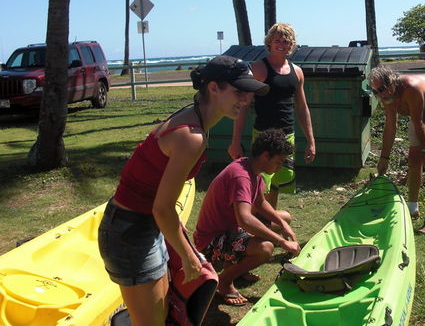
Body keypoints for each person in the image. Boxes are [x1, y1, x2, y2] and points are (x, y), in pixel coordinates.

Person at [98, 56, 269, 326]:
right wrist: (189, 257)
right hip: (132, 231)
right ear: (214, 88)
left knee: (161, 311)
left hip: (142, 225)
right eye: (239, 91)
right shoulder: (191, 136)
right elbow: (161, 208)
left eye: (248, 93)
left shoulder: (194, 118)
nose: (246, 100)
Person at [195, 128, 301, 306]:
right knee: (265, 248)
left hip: (231, 230)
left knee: (284, 217)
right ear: (266, 155)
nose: (280, 166)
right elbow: (245, 219)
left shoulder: (252, 169)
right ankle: (224, 281)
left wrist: (283, 224)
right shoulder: (241, 176)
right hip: (210, 241)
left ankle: (239, 265)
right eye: (279, 161)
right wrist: (281, 242)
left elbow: (260, 203)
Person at [228, 23, 316, 210]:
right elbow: (243, 105)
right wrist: (235, 141)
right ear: (269, 43)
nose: (281, 44)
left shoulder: (297, 72)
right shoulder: (259, 69)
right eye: (277, 40)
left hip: (287, 136)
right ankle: (253, 230)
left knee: (275, 186)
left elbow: (302, 107)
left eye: (286, 41)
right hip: (263, 136)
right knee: (259, 186)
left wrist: (311, 140)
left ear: (291, 45)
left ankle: (268, 226)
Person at [367, 65, 425, 235]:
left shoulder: (411, 89)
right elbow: (390, 127)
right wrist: (383, 159)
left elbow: (419, 123)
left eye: (381, 89)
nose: (379, 94)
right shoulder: (386, 96)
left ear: (392, 83)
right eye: (375, 91)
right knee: (414, 159)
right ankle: (411, 209)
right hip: (420, 119)